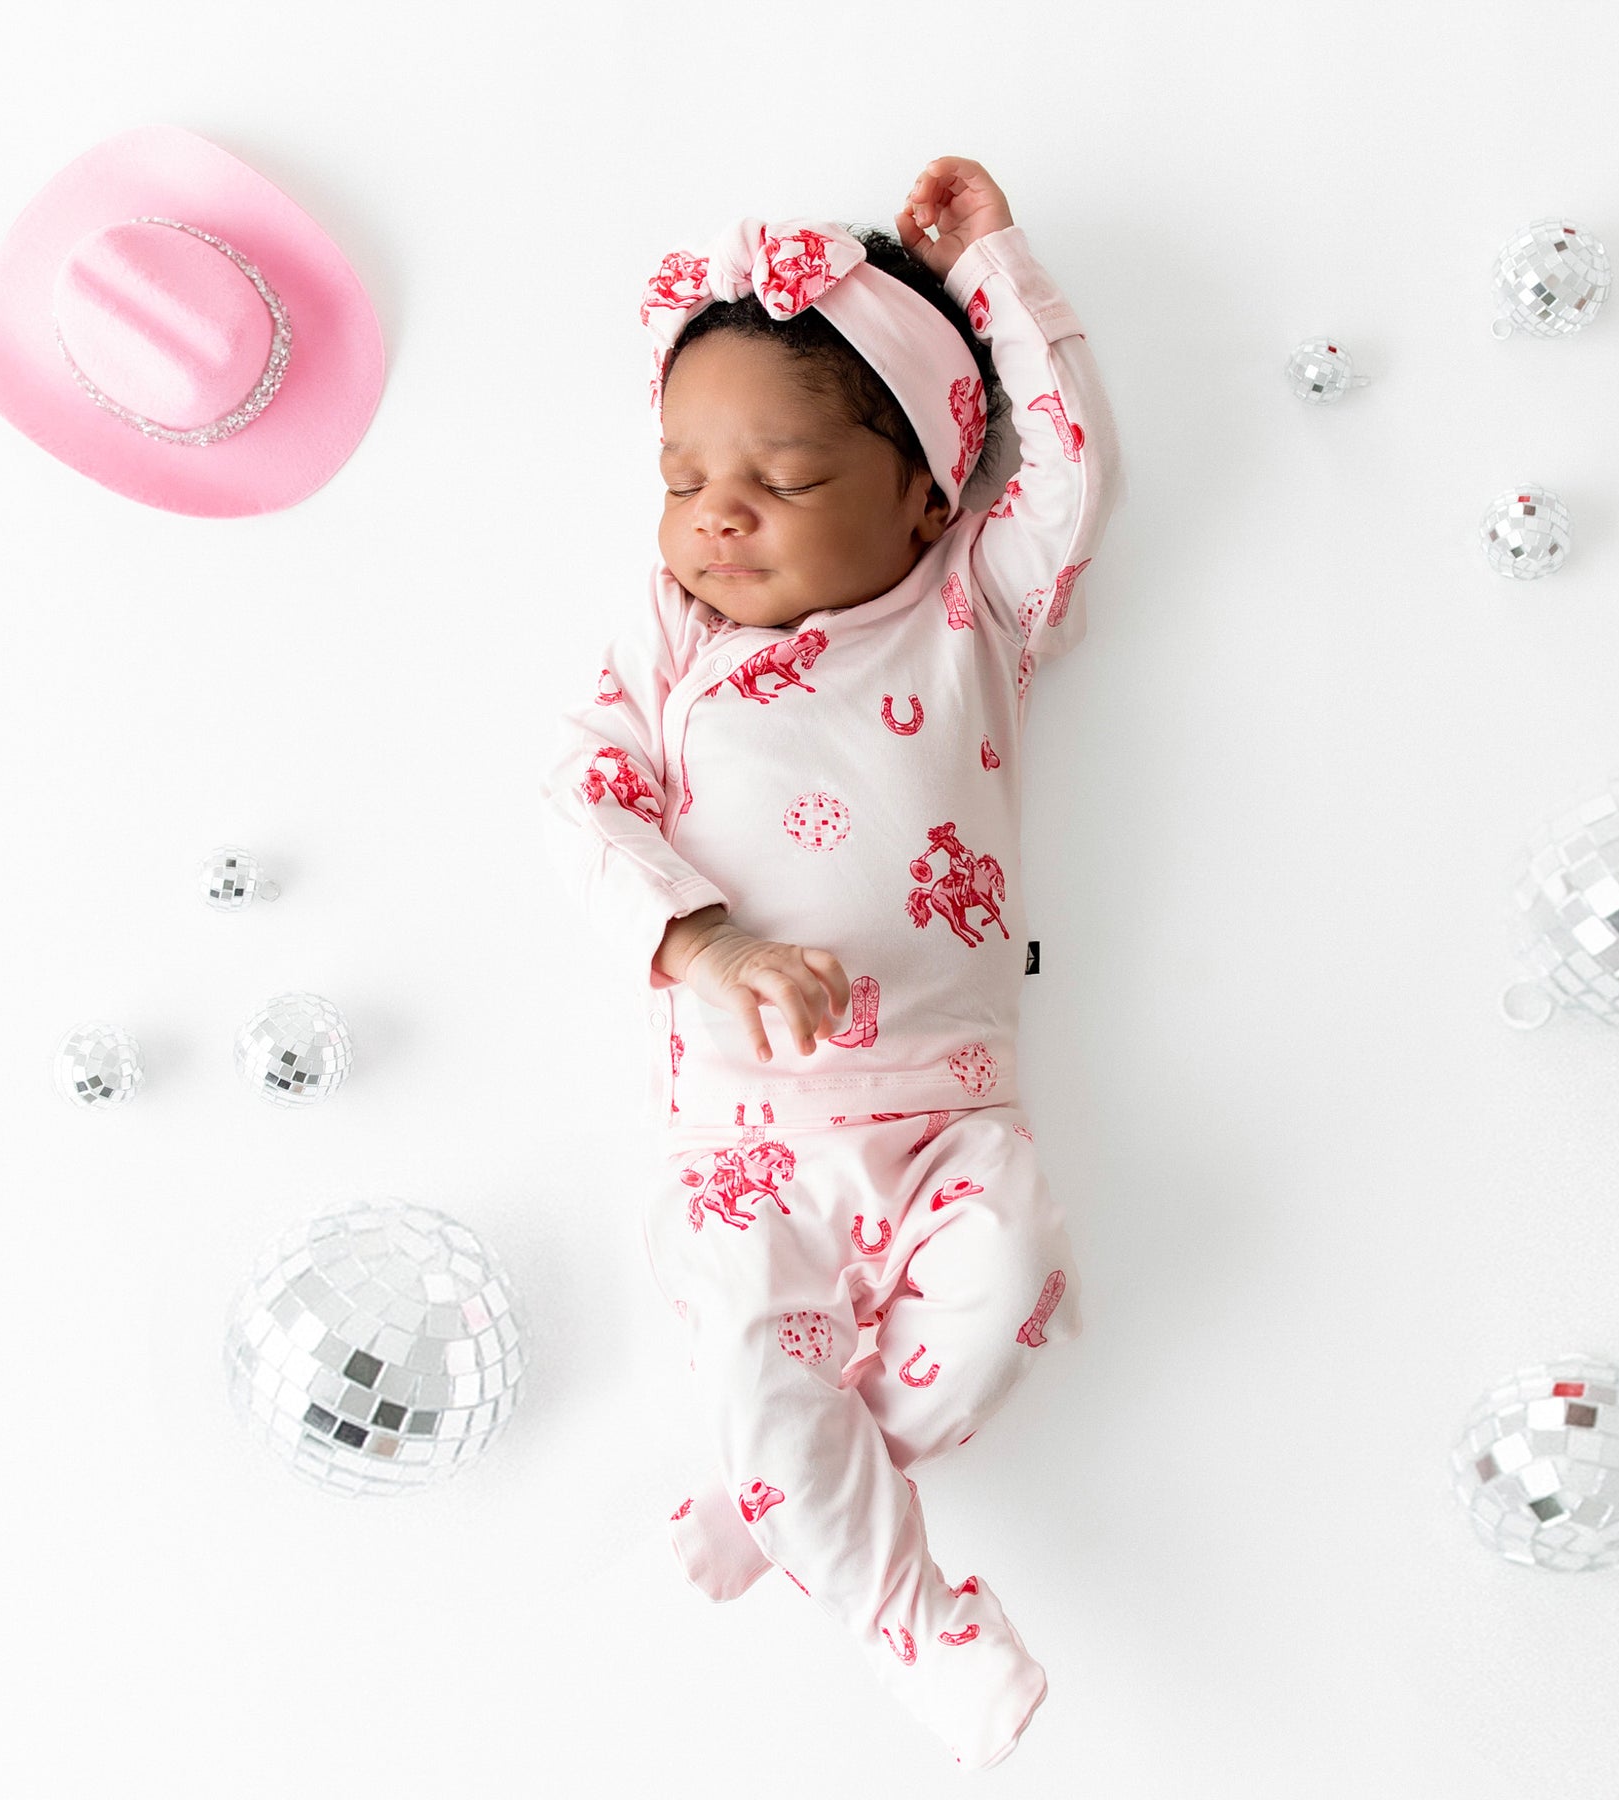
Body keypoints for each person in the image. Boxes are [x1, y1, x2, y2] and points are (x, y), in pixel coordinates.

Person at [537, 155, 1126, 1768]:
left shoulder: (974, 614)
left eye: (781, 480)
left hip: (949, 1112)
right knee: (763, 1358)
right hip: (751, 1140)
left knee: (1009, 1285)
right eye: (682, 475)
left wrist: (994, 267)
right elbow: (581, 802)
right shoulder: (672, 638)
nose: (715, 516)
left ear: (928, 493)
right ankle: (909, 1621)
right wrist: (705, 939)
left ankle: (781, 1497)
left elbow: (1070, 476)